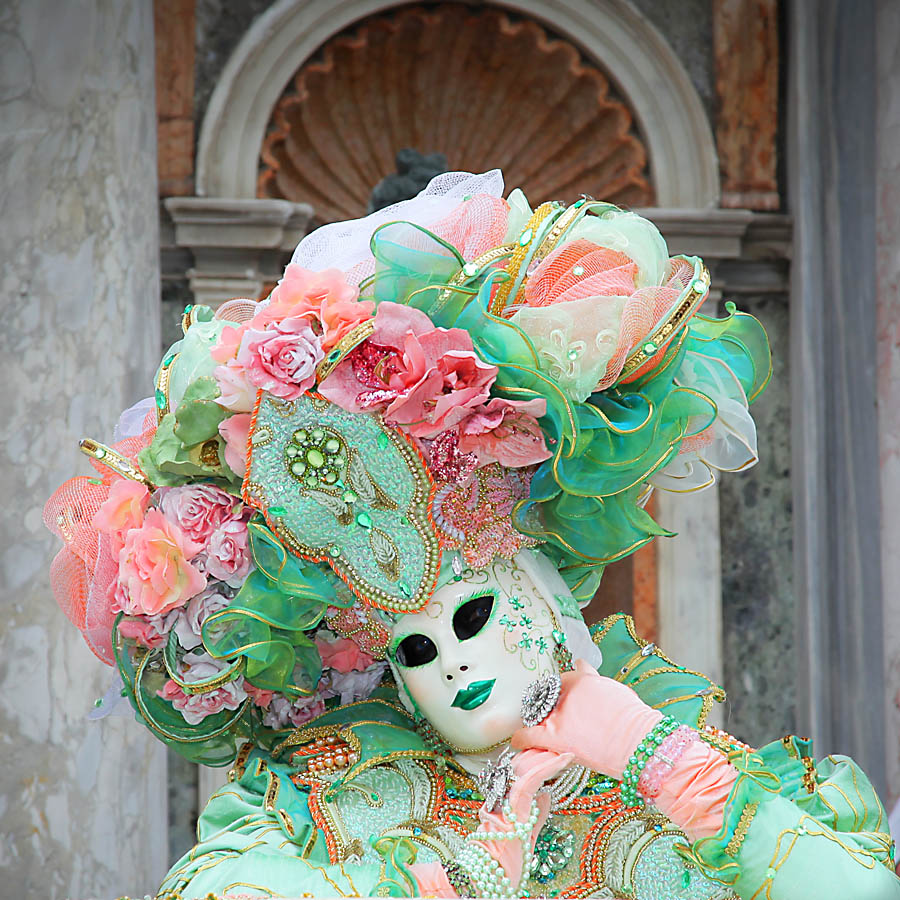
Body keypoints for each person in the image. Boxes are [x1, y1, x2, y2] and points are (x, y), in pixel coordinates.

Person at [46, 171, 899, 898]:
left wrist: (655, 758)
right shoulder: (338, 785)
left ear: (541, 591)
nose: (449, 661)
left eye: (471, 618)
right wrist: (464, 874)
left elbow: (861, 886)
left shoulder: (661, 751)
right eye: (413, 650)